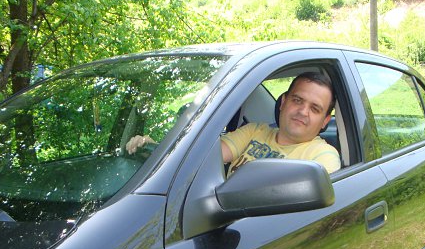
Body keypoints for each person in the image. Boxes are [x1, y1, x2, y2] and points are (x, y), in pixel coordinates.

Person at [126, 72, 341, 175]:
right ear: (283, 102)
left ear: (325, 121)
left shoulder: (322, 157)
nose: (303, 111)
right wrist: (156, 148)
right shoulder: (255, 131)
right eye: (297, 100)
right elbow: (201, 156)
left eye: (315, 109)